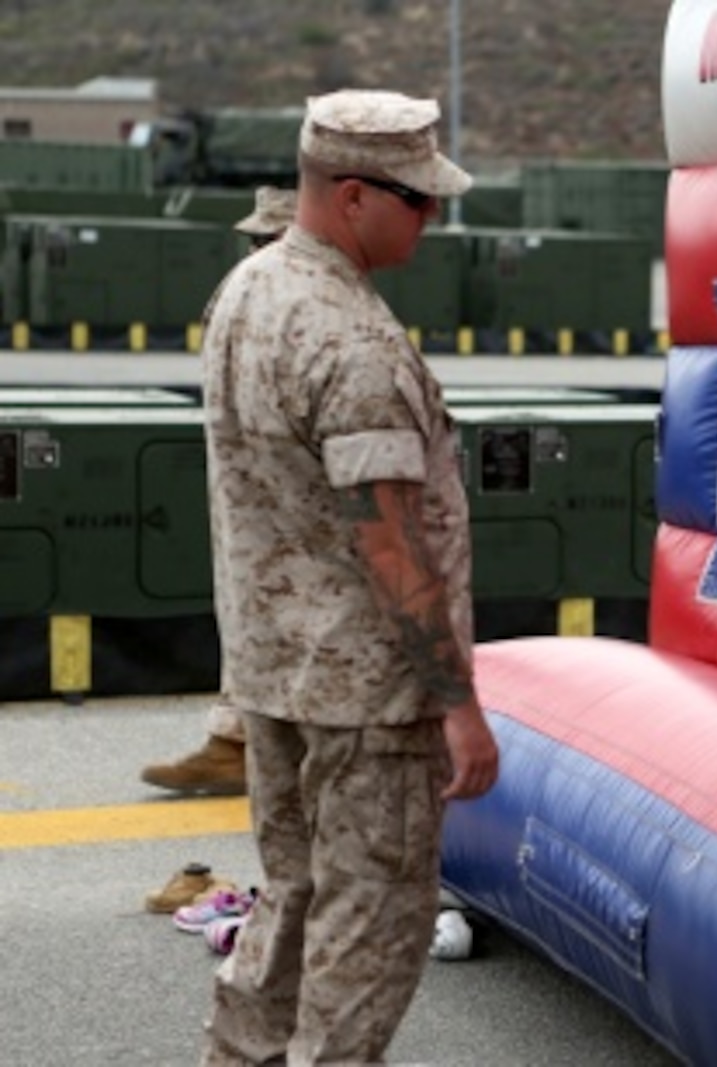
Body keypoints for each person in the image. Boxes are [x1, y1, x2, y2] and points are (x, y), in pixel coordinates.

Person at [197, 89, 499, 1066]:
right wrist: (457, 704)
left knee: (289, 905)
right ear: (358, 196)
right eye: (418, 200)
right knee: (364, 945)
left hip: (275, 673)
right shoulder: (351, 342)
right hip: (368, 699)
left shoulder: (251, 286)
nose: (432, 218)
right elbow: (391, 543)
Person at [139, 185, 298, 799]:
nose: (260, 249)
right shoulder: (256, 295)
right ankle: (238, 742)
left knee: (272, 617)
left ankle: (247, 744)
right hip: (261, 491)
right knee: (253, 613)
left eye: (270, 237)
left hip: (276, 495)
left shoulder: (277, 296)